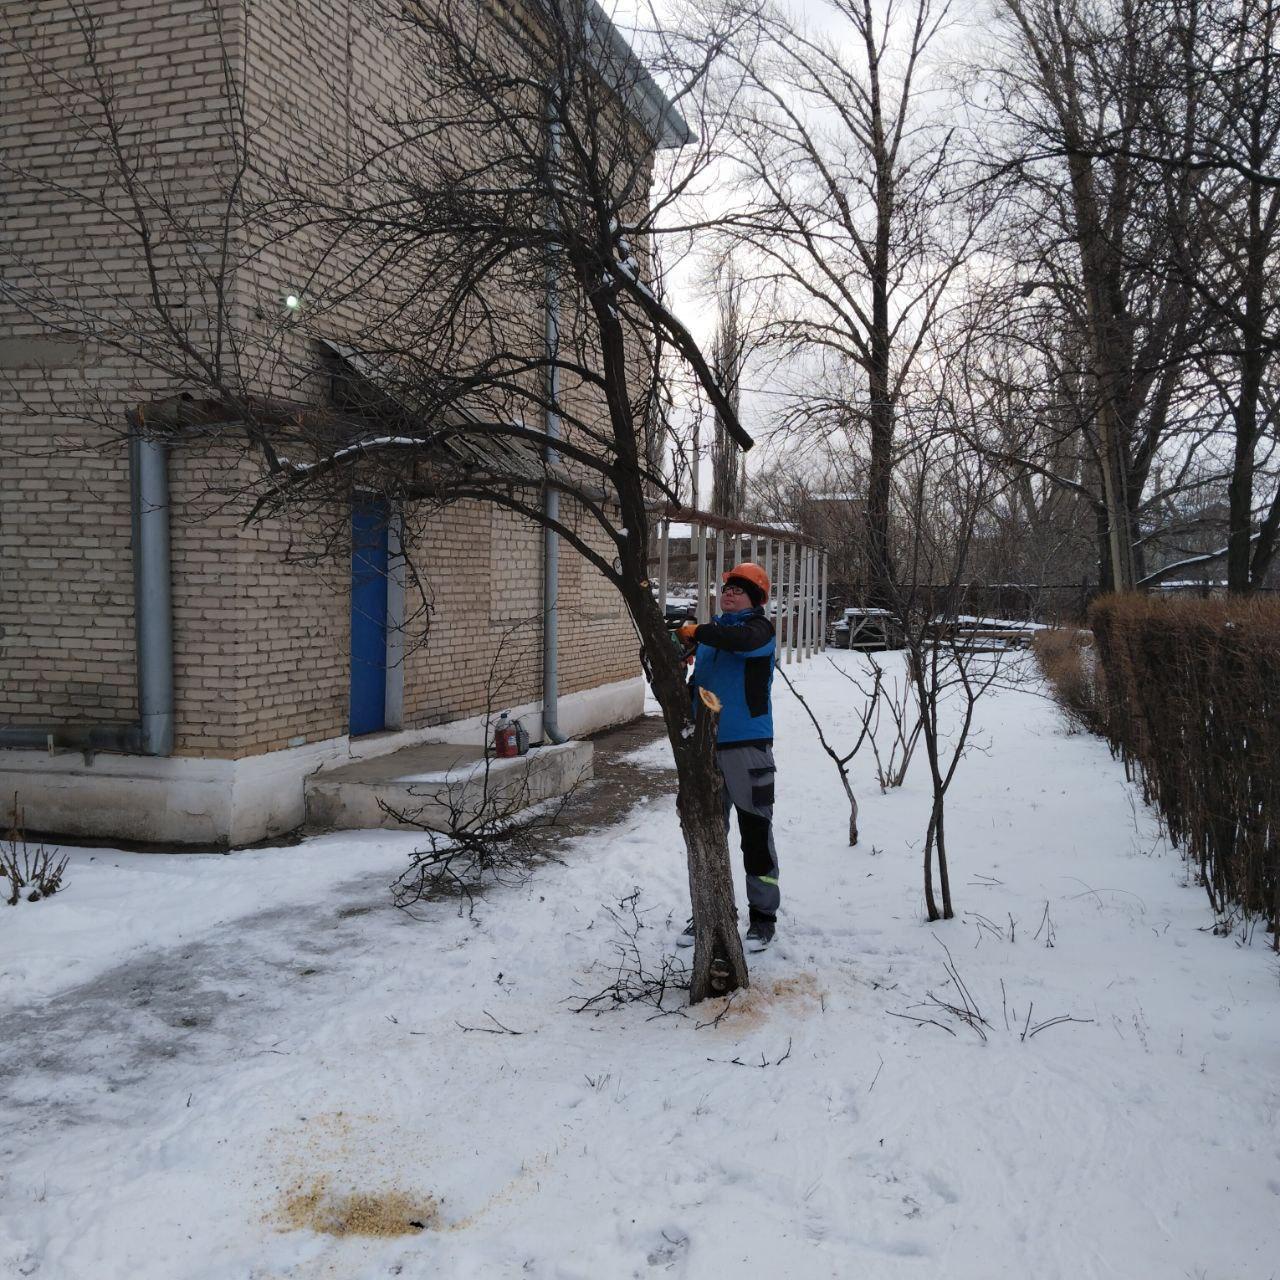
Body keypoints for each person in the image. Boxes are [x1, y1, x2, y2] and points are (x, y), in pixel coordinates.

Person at [675, 561, 779, 952]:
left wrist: (700, 632)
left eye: (740, 590)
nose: (730, 593)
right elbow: (696, 687)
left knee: (755, 834)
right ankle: (711, 911)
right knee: (707, 835)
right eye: (727, 589)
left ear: (754, 599)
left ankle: (763, 918)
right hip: (705, 750)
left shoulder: (759, 631)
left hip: (747, 747)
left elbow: (741, 641)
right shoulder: (710, 639)